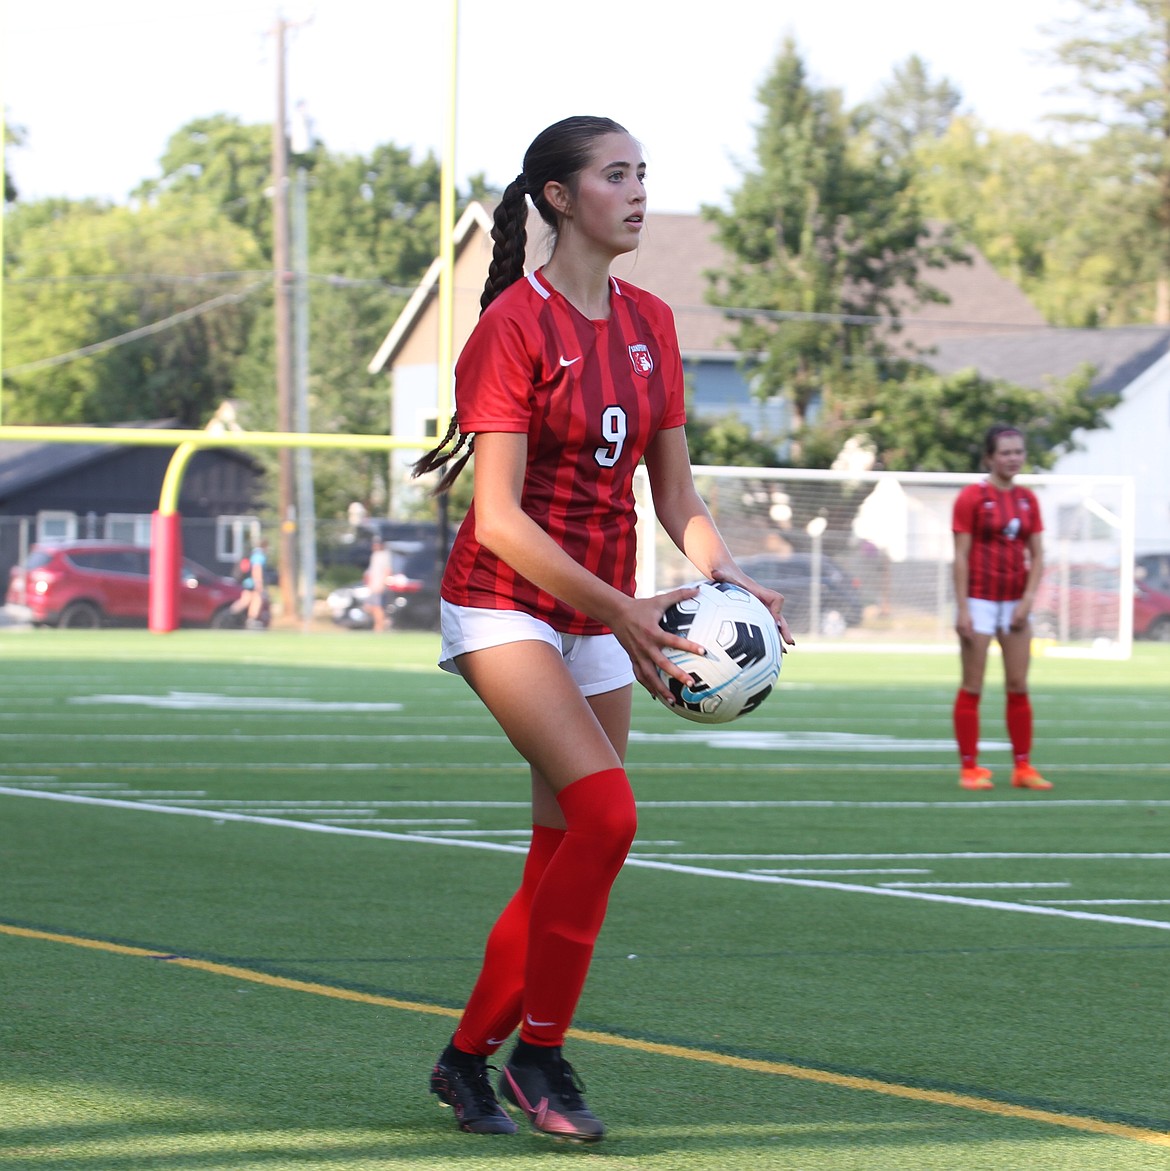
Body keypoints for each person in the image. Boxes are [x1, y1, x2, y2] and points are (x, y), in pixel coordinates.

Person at [412, 115, 793, 1143]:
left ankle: (465, 1060)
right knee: (610, 819)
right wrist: (620, 609)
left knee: (563, 851)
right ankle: (541, 1054)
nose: (637, 193)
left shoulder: (653, 320)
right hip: (504, 600)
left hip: (601, 607)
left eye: (643, 174)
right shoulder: (514, 327)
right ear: (557, 197)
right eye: (614, 175)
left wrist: (727, 579)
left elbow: (675, 494)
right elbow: (495, 516)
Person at [951, 425, 1050, 791]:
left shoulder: (1028, 499)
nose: (1013, 458)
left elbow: (1038, 555)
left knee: (1018, 684)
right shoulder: (971, 497)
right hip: (978, 600)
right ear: (989, 458)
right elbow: (960, 557)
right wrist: (963, 608)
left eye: (1018, 452)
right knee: (973, 686)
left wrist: (1026, 601)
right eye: (1006, 452)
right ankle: (969, 768)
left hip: (1016, 603)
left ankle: (1023, 767)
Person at [364, 536, 391, 632]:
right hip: (373, 585)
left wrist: (383, 583)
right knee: (370, 606)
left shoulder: (384, 555)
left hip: (379, 585)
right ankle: (382, 623)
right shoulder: (375, 555)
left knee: (378, 606)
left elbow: (387, 570)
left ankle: (380, 626)